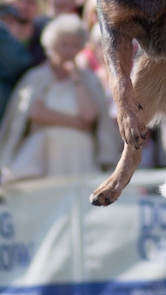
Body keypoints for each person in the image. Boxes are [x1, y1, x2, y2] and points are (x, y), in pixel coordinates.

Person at [0, 13, 121, 181]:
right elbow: (35, 113)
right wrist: (76, 123)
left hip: (80, 157)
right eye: (64, 45)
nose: (69, 51)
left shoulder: (88, 79)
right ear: (52, 47)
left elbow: (90, 117)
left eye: (74, 45)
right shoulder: (36, 77)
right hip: (46, 159)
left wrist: (76, 80)